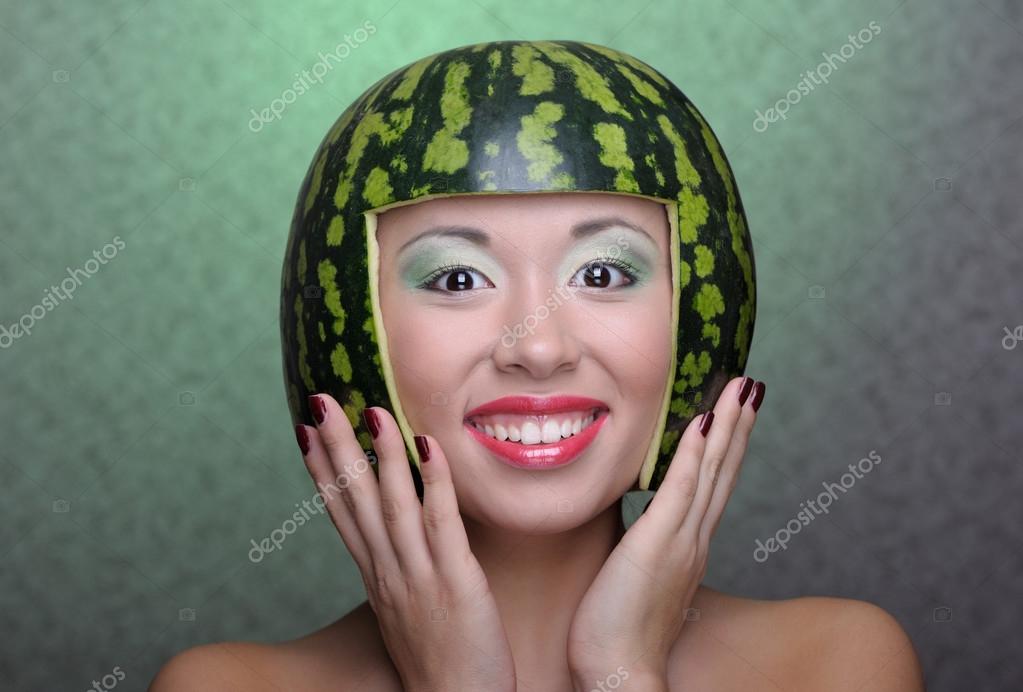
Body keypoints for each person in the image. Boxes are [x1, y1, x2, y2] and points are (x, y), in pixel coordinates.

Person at [150, 39, 925, 691]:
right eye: (455, 279)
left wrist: (621, 671)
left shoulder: (833, 663)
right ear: (344, 319)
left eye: (602, 274)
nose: (539, 348)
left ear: (703, 305)